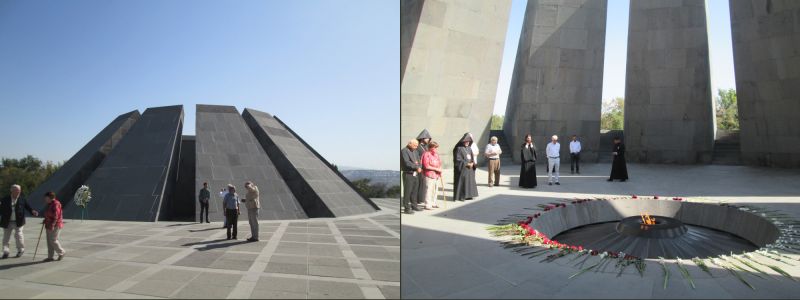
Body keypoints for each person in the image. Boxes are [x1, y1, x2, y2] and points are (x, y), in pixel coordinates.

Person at [1, 184, 38, 259]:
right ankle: (6, 252)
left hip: (19, 221)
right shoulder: (5, 199)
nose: (18, 192)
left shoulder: (22, 199)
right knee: (6, 238)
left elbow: (28, 207)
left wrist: (33, 211)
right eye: (16, 190)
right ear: (11, 190)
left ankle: (20, 250)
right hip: (7, 221)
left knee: (18, 235)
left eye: (19, 190)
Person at [453, 133, 478, 201]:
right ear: (463, 141)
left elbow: (472, 157)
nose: (467, 143)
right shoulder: (459, 148)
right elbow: (458, 160)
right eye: (466, 141)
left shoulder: (469, 148)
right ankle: (462, 196)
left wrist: (472, 163)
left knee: (469, 181)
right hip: (463, 168)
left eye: (468, 141)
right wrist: (467, 164)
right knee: (463, 182)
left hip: (470, 169)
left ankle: (469, 195)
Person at [401, 139, 422, 214]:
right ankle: (407, 208)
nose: (416, 147)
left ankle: (414, 205)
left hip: (416, 173)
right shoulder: (404, 151)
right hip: (408, 173)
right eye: (414, 145)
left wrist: (419, 166)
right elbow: (407, 162)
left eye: (417, 146)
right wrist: (416, 167)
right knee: (408, 191)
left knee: (415, 191)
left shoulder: (416, 151)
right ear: (409, 143)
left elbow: (419, 161)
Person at [42, 192, 65, 262]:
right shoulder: (49, 204)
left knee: (53, 240)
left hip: (55, 225)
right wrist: (45, 219)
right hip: (48, 224)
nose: (45, 199)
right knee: (49, 241)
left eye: (46, 198)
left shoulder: (56, 204)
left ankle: (61, 252)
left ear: (50, 197)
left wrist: (52, 224)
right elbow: (48, 213)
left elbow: (56, 216)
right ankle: (50, 257)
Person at [421, 141, 442, 209]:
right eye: (434, 148)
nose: (436, 149)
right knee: (429, 189)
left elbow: (439, 163)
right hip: (429, 174)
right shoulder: (426, 154)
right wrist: (436, 169)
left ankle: (433, 202)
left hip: (436, 175)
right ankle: (427, 204)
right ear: (430, 147)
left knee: (435, 189)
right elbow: (426, 166)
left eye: (436, 148)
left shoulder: (436, 154)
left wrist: (440, 169)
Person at [416, 129, 432, 210]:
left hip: (426, 168)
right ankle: (417, 199)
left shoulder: (426, 147)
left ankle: (422, 198)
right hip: (420, 168)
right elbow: (416, 157)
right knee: (419, 184)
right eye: (427, 138)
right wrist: (419, 166)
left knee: (424, 185)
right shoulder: (418, 146)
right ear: (422, 138)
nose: (428, 139)